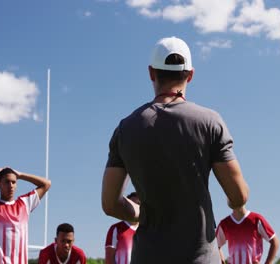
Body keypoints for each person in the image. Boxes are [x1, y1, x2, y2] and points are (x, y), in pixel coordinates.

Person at [101, 36, 249, 263]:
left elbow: (110, 204)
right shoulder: (210, 121)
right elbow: (239, 196)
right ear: (190, 75)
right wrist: (233, 204)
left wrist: (141, 213)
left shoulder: (126, 128)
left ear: (151, 73)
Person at [105, 192, 140, 264]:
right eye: (132, 204)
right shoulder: (116, 228)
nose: (135, 207)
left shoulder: (147, 230)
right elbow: (109, 260)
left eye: (138, 204)